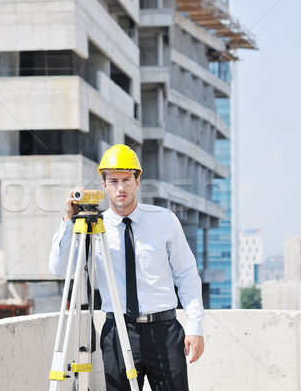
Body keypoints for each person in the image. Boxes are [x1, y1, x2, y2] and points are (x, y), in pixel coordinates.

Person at [49, 144, 205, 391]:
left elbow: (186, 274)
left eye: (126, 180)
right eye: (113, 181)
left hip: (164, 331)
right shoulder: (93, 227)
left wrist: (195, 327)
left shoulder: (164, 220)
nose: (120, 188)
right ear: (104, 185)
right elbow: (60, 270)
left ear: (137, 181)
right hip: (117, 332)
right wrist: (69, 220)